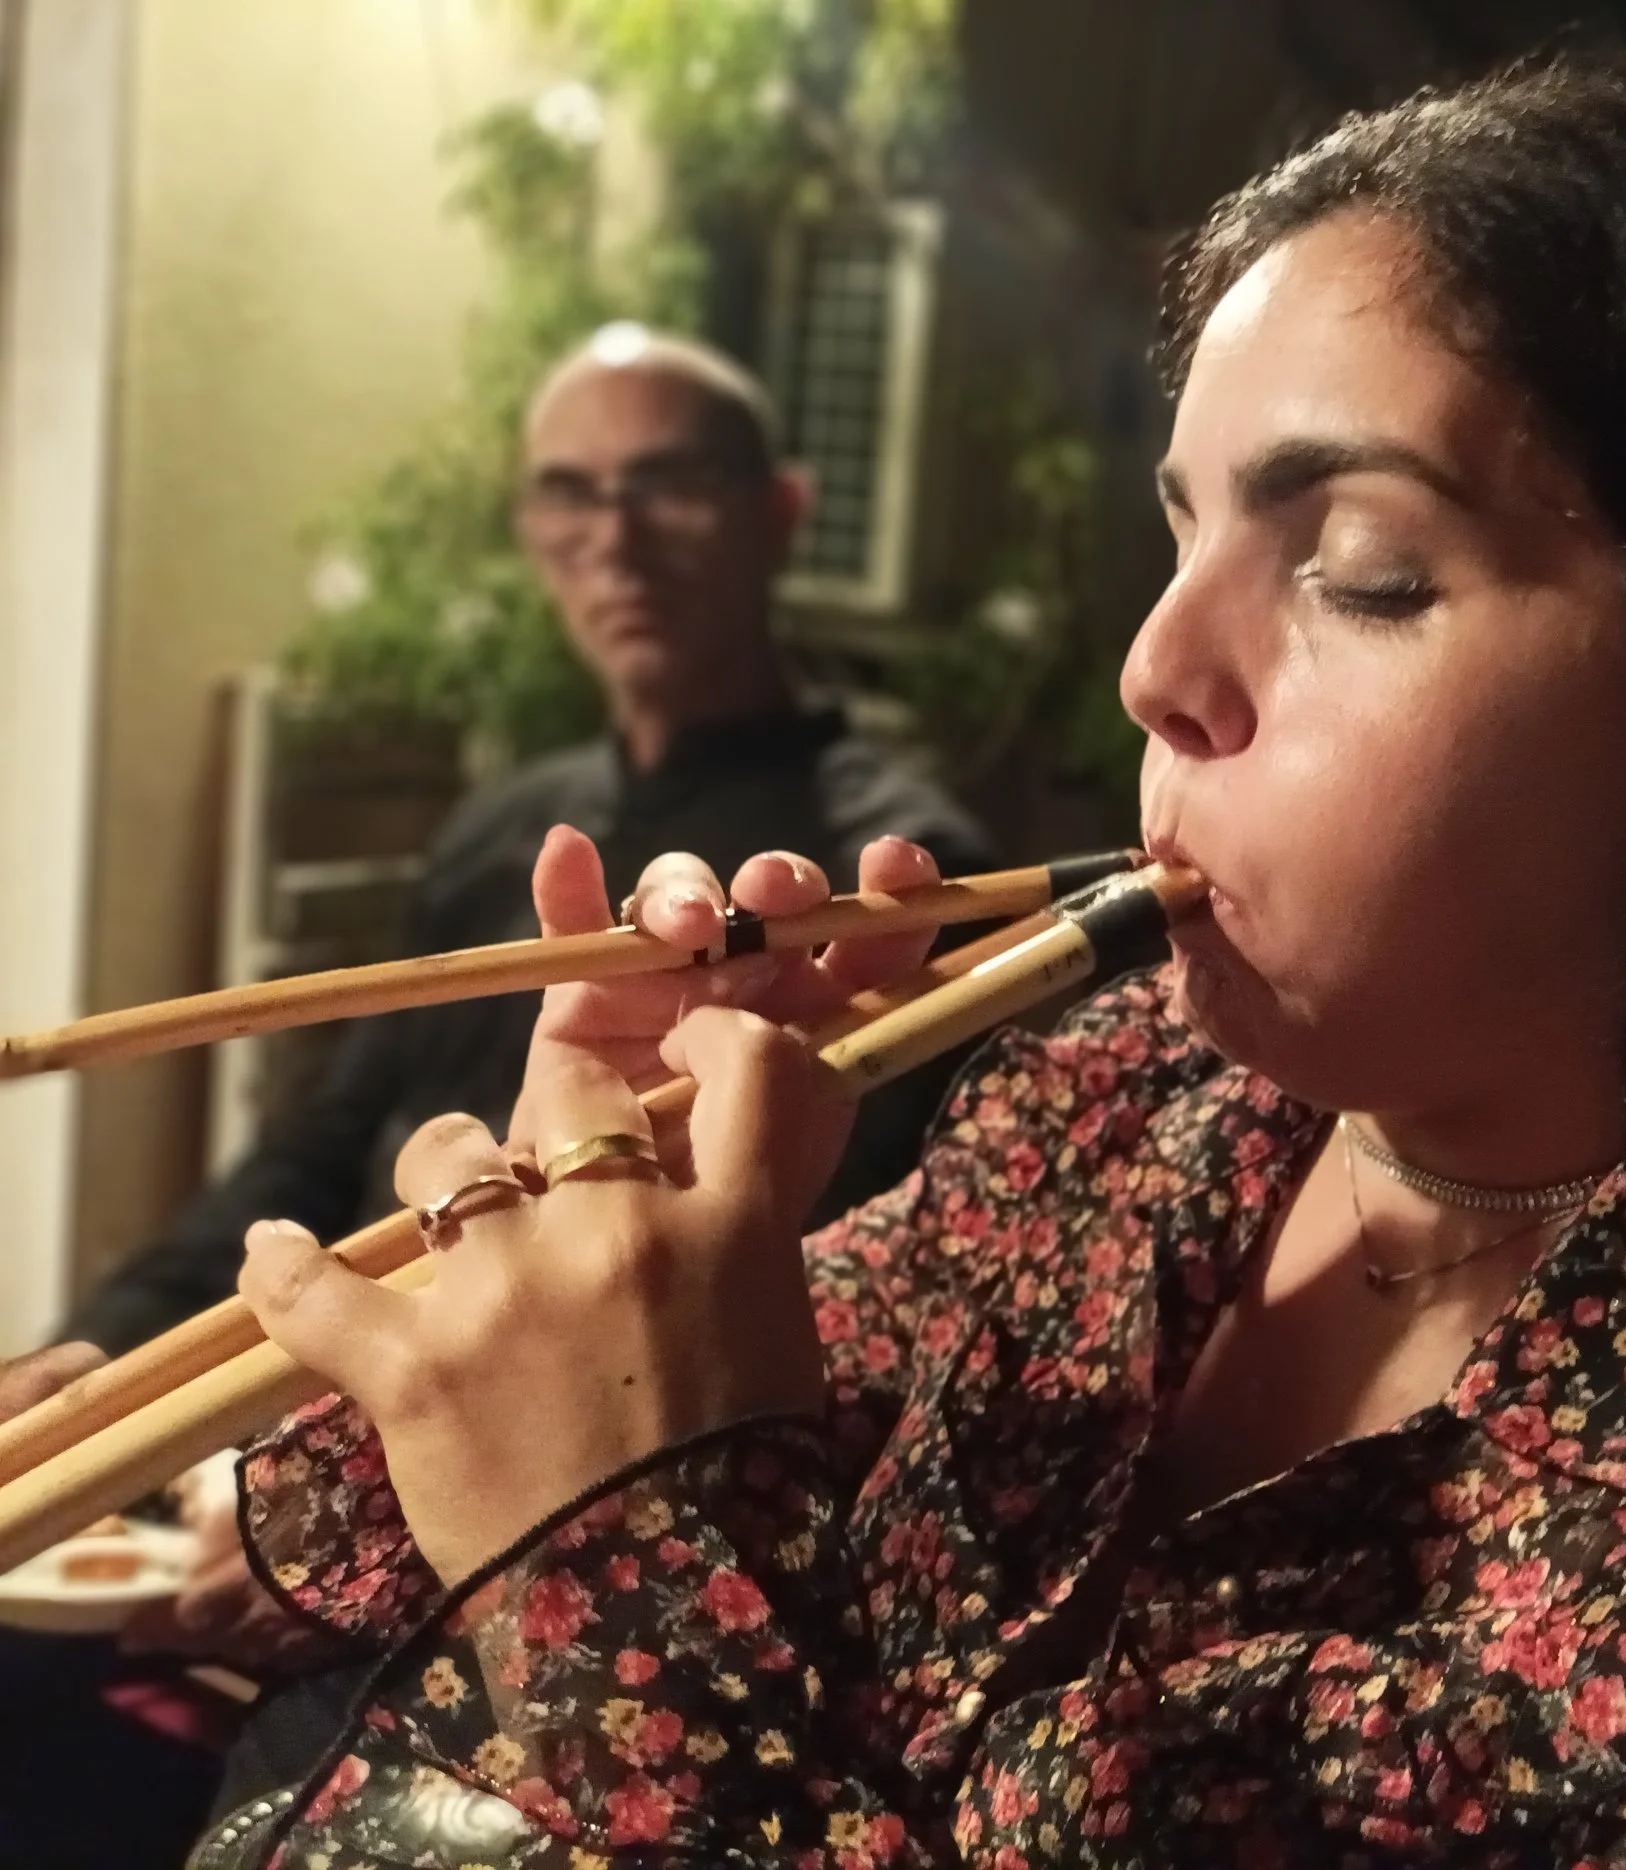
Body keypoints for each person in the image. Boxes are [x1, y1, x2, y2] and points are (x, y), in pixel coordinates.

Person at [50, 55, 1626, 1864]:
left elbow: (617, 1620)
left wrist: (628, 1550)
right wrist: (594, 1219)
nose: (1159, 668)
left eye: (1352, 571)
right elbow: (354, 1549)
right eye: (1178, 534)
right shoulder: (1104, 1128)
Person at [0, 326, 991, 1867]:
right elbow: (318, 1145)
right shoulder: (505, 831)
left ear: (779, 511)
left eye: (668, 484)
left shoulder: (872, 880)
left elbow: (802, 1303)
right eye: (571, 495)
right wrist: (85, 1403)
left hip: (537, 1558)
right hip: (276, 1470)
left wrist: (347, 1509)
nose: (616, 536)